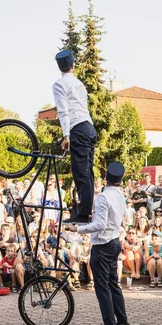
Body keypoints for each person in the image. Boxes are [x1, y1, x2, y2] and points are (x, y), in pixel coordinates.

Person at [65, 162, 129, 325]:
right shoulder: (120, 195)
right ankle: (122, 322)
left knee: (103, 289)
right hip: (114, 242)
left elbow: (100, 225)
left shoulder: (103, 197)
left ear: (106, 178)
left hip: (103, 245)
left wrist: (76, 229)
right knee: (113, 284)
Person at [54, 49, 97, 224]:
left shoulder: (59, 84)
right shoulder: (79, 83)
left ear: (60, 68)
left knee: (81, 172)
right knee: (88, 170)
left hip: (77, 128)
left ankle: (84, 214)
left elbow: (63, 111)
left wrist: (66, 135)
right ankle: (87, 210)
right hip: (89, 127)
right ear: (73, 65)